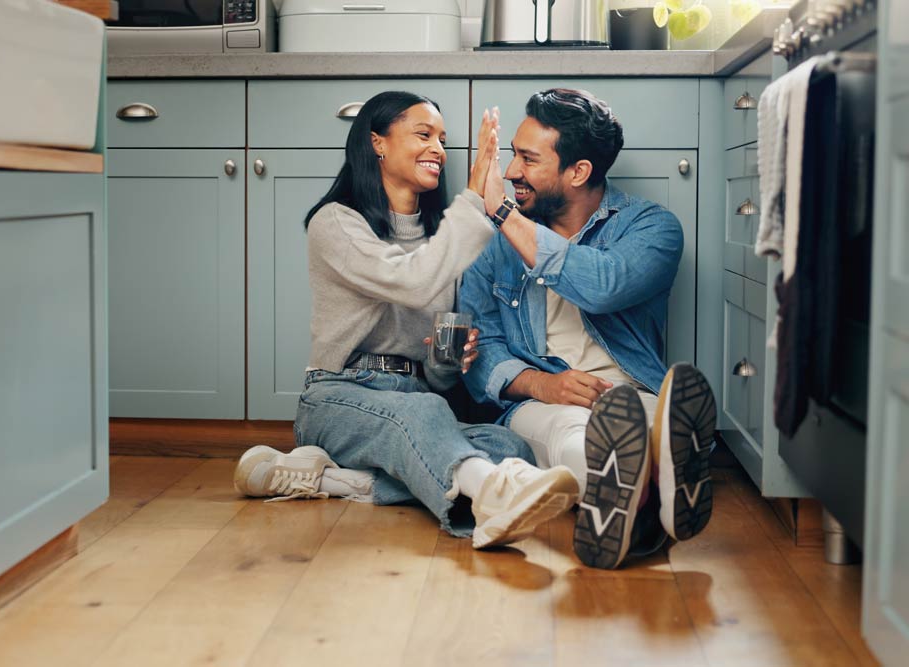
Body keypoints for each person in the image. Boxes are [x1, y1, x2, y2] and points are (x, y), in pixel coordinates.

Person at [233, 90, 579, 549]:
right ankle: (490, 498)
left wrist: (445, 360)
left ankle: (337, 482)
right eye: (424, 134)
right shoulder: (336, 223)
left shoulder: (443, 238)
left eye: (442, 139)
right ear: (378, 142)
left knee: (511, 449)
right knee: (427, 417)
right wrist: (476, 200)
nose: (438, 148)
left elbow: (435, 378)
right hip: (339, 397)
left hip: (416, 400)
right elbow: (412, 282)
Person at [459, 88, 717, 569]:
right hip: (542, 402)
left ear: (578, 172)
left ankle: (647, 484)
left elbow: (603, 285)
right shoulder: (491, 246)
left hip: (628, 392)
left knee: (646, 422)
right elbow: (479, 355)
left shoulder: (652, 228)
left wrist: (501, 212)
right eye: (512, 154)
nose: (511, 172)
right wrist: (544, 384)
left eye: (527, 159)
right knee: (569, 431)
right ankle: (650, 498)